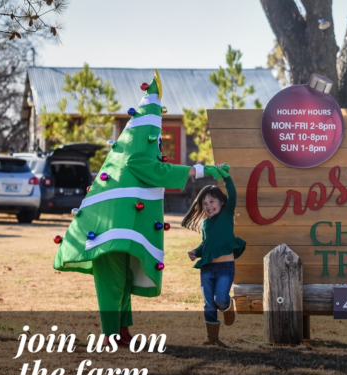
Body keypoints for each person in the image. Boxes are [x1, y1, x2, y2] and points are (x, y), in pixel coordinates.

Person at [53, 71, 228, 347]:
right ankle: (111, 334)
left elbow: (158, 169)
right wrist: (201, 169)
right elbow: (159, 171)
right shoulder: (135, 157)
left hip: (123, 231)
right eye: (156, 139)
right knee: (112, 283)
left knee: (123, 280)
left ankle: (122, 330)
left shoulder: (138, 155)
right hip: (108, 232)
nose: (158, 145)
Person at [182, 163, 246, 347]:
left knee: (220, 300)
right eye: (204, 204)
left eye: (212, 202)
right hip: (207, 268)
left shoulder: (227, 214)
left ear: (222, 202)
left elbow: (233, 193)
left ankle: (228, 306)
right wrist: (197, 251)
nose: (208, 206)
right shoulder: (205, 224)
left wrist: (226, 177)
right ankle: (213, 339)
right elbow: (206, 244)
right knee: (209, 304)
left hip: (225, 268)